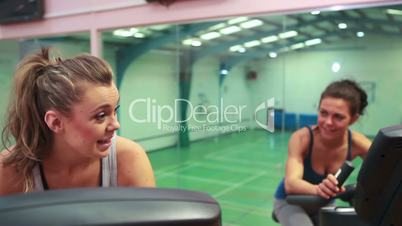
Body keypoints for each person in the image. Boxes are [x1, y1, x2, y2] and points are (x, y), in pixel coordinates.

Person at [0, 48, 155, 195]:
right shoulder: (8, 170)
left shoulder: (129, 159)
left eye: (115, 111)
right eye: (101, 115)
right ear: (56, 122)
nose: (116, 125)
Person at [273, 79, 372, 226]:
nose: (328, 122)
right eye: (323, 113)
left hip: (324, 203)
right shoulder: (302, 138)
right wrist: (318, 189)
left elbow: (388, 169)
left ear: (353, 118)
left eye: (338, 116)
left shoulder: (358, 143)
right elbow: (291, 184)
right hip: (290, 201)